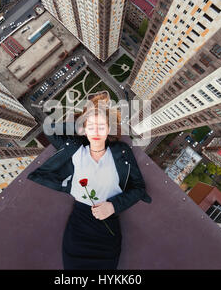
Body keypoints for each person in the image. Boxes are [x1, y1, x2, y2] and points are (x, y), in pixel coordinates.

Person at [27, 91, 152, 269]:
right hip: (79, 229)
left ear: (108, 129)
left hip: (106, 233)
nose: (95, 131)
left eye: (101, 126)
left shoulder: (121, 152)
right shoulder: (76, 149)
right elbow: (49, 129)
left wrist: (113, 206)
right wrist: (77, 126)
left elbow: (139, 188)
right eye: (90, 126)